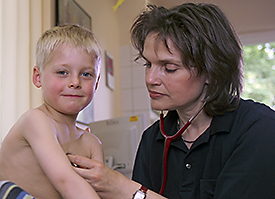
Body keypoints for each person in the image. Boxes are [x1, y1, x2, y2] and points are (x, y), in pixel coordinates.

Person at [68, 3, 275, 199]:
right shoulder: (152, 139)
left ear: (212, 71)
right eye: (148, 64)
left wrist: (125, 189)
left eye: (169, 68)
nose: (150, 79)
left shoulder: (259, 129)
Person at [0, 24, 103, 199]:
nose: (75, 82)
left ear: (97, 83)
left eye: (86, 74)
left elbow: (98, 191)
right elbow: (66, 181)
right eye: (62, 72)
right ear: (38, 77)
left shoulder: (92, 143)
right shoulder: (35, 120)